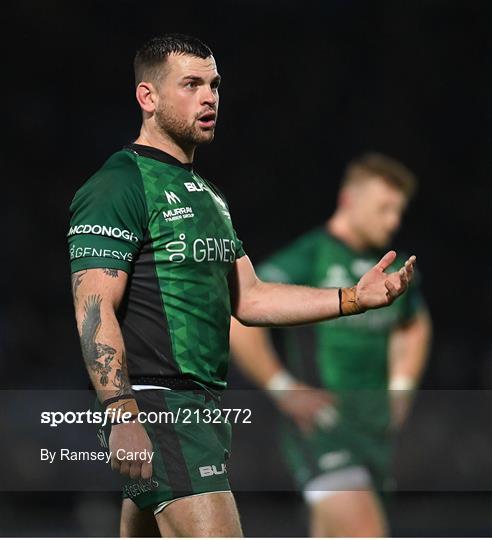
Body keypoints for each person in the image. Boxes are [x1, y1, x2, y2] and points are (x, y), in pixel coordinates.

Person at [68, 34, 416, 537]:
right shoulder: (118, 184)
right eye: (191, 85)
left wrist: (352, 299)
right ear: (148, 97)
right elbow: (93, 306)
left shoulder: (209, 197)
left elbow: (250, 298)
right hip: (162, 407)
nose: (209, 97)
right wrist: (121, 412)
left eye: (214, 85)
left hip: (202, 409)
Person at [230, 153, 432, 537]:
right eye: (384, 208)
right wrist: (283, 388)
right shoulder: (312, 255)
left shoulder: (396, 267)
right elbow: (240, 317)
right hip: (325, 430)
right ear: (348, 200)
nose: (394, 221)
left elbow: (415, 323)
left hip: (374, 434)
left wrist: (401, 388)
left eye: (399, 211)